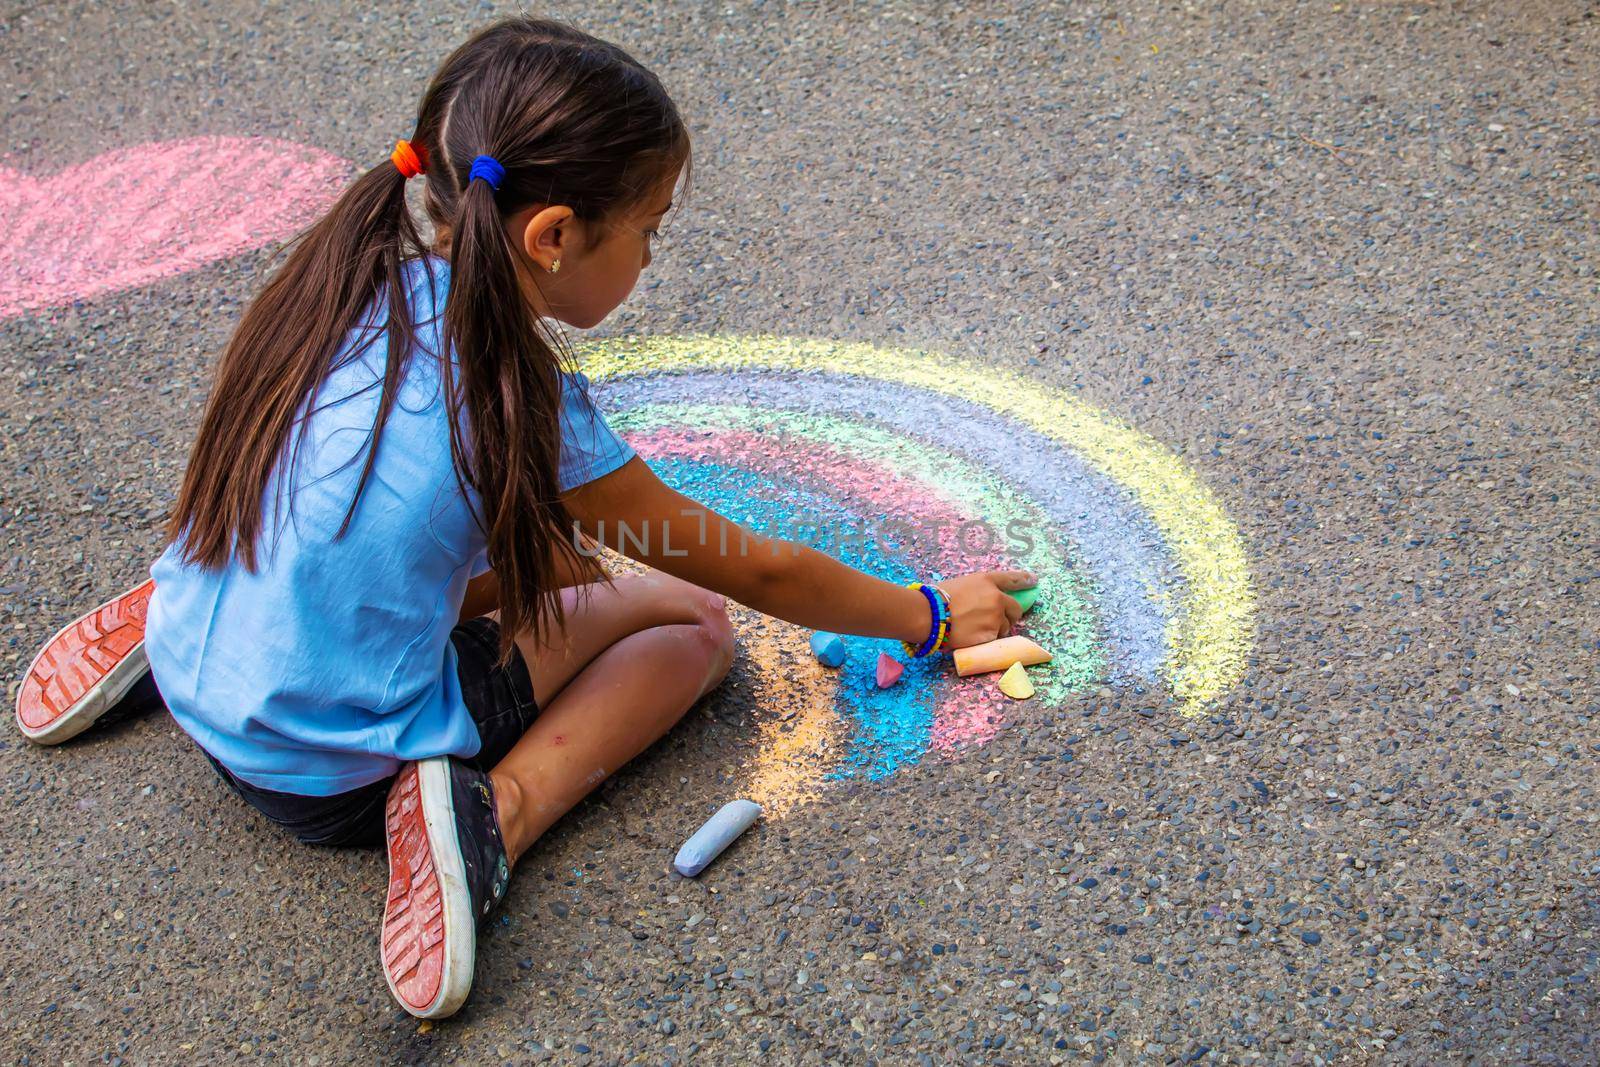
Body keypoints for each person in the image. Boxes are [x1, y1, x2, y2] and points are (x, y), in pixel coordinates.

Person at [11, 15, 1033, 1019]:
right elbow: (747, 569)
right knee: (688, 619)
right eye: (649, 230)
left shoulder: (346, 278)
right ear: (551, 236)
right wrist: (926, 613)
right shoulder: (514, 395)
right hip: (329, 774)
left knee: (530, 558)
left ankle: (181, 612)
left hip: (206, 649)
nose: (649, 257)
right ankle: (491, 813)